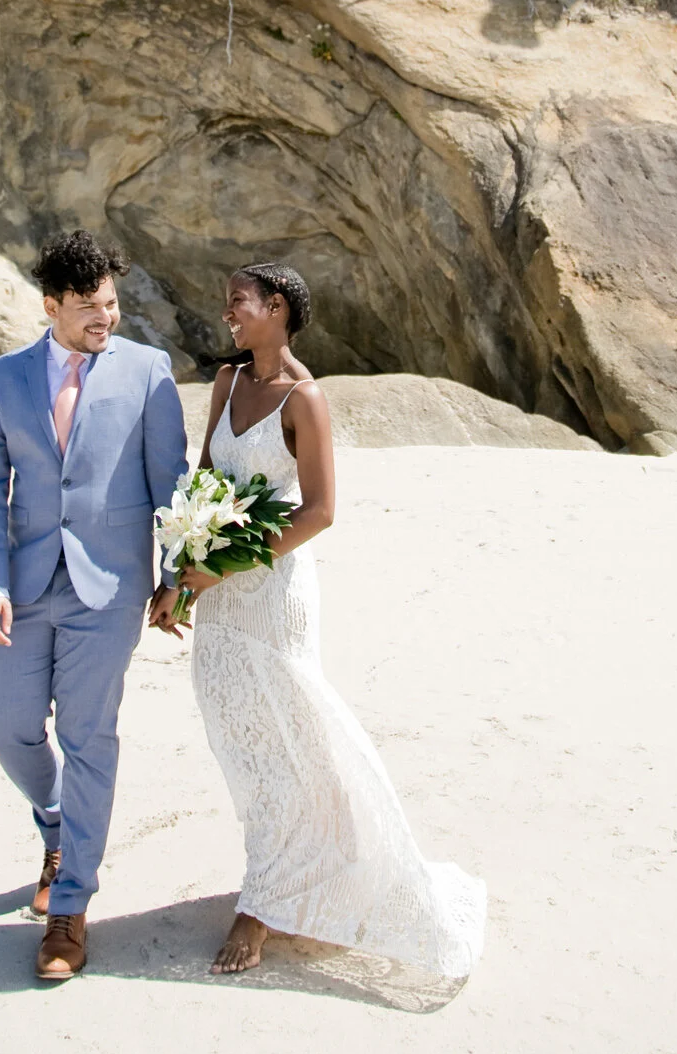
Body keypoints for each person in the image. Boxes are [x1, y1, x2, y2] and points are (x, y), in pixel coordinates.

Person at [150, 262, 485, 980]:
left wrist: (225, 567)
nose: (227, 315)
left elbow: (320, 512)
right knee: (241, 742)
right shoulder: (227, 382)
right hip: (217, 589)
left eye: (237, 303)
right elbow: (204, 478)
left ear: (276, 308)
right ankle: (300, 863)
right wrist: (181, 574)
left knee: (294, 735)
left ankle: (263, 901)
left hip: (273, 594)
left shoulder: (305, 399)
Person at [0, 228, 186, 982]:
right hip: (23, 586)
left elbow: (171, 485)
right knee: (9, 727)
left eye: (112, 304)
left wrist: (174, 577)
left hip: (110, 589)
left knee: (90, 735)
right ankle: (54, 821)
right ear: (52, 306)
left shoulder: (149, 372)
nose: (106, 319)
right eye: (89, 307)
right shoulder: (4, 378)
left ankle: (70, 904)